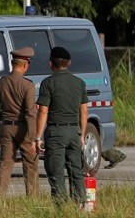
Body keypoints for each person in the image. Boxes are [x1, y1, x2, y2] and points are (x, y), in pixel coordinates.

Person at [36, 46, 87, 204]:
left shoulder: (48, 83)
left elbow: (43, 111)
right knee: (76, 172)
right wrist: (82, 135)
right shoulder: (79, 83)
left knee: (56, 171)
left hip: (56, 132)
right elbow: (84, 112)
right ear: (69, 63)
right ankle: (80, 205)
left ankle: (61, 207)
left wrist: (38, 137)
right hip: (74, 131)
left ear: (50, 63)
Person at [0, 46, 39, 196]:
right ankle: (33, 198)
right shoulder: (28, 85)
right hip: (24, 129)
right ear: (25, 65)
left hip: (6, 127)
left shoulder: (0, 83)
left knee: (5, 164)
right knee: (30, 164)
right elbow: (30, 112)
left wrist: (2, 120)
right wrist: (33, 138)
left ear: (13, 64)